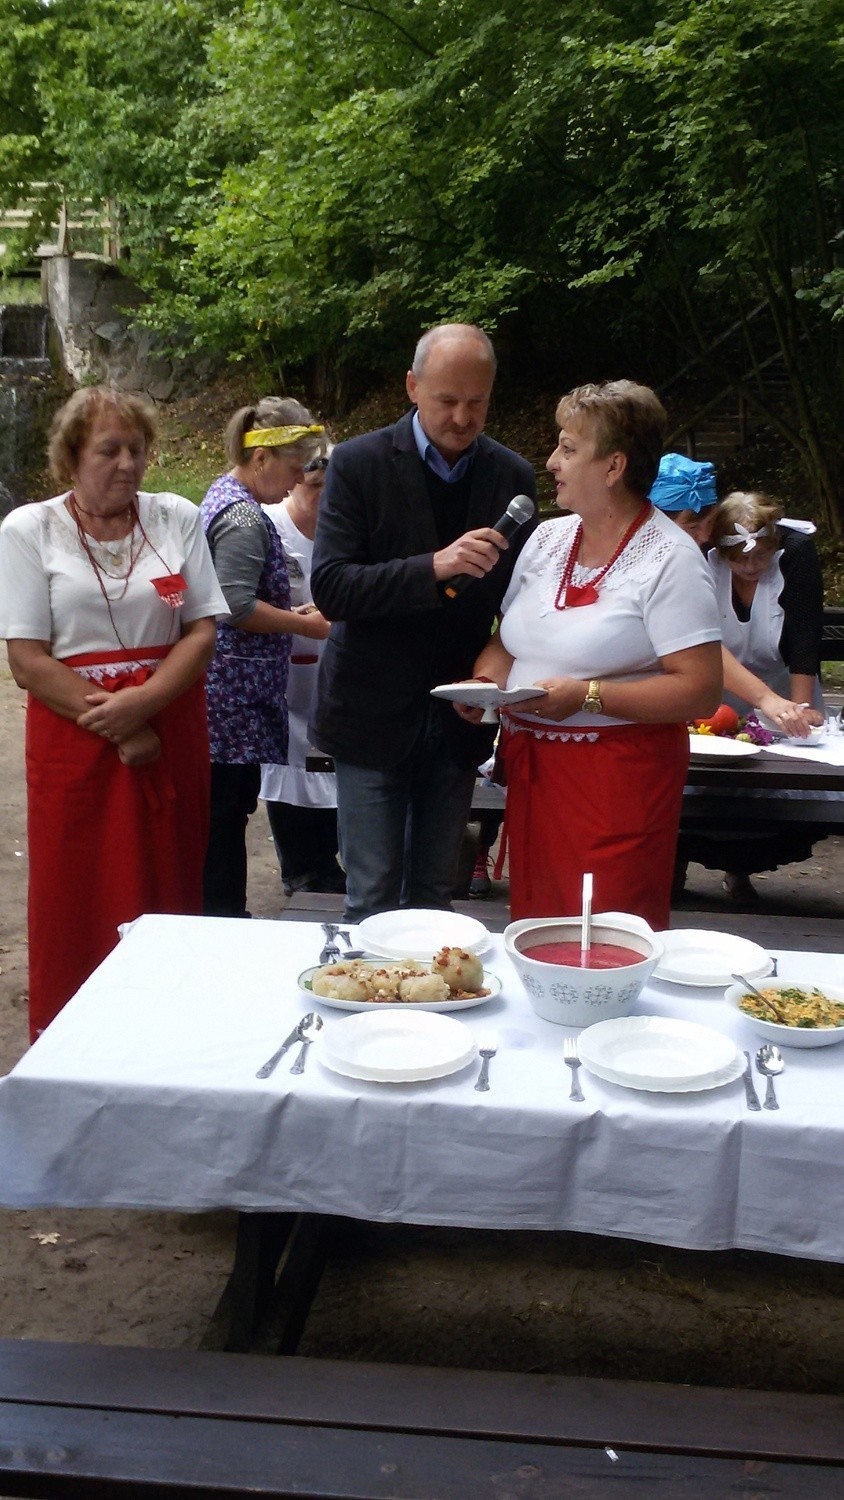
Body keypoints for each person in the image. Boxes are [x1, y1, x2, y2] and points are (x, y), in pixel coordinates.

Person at [0, 386, 226, 1039]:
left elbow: (201, 631)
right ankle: (75, 1040)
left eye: (137, 449)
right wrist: (121, 723)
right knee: (77, 892)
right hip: (75, 736)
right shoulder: (28, 529)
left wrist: (147, 707)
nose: (127, 463)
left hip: (171, 724)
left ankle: (165, 1032)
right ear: (71, 457)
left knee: (169, 878)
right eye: (109, 450)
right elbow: (28, 660)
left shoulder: (177, 517)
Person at [455, 380, 723, 930]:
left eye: (569, 448)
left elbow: (700, 689)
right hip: (536, 776)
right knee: (538, 928)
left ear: (613, 466)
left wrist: (590, 696)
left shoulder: (671, 560)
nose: (552, 461)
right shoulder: (547, 538)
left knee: (604, 933)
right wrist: (485, 682)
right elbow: (510, 637)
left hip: (618, 784)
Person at [309, 323, 537, 922]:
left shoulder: (512, 478)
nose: (462, 417)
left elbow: (520, 607)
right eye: (447, 400)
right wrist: (432, 568)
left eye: (477, 403)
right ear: (413, 387)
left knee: (438, 900)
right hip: (371, 711)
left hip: (459, 718)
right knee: (372, 899)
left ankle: (431, 1014)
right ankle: (365, 1014)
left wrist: (492, 673)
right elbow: (331, 589)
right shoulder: (359, 464)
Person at [200, 396, 327, 918]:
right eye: (293, 468)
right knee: (228, 812)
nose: (297, 481)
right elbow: (234, 605)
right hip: (233, 694)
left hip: (229, 688)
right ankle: (224, 915)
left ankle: (219, 910)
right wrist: (303, 623)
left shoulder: (222, 495)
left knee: (223, 812)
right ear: (260, 459)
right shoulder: (246, 516)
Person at [677, 490, 826, 901]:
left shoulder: (797, 556)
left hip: (780, 683)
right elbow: (698, 638)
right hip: (715, 685)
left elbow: (803, 633)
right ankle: (677, 864)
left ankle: (741, 869)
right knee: (704, 782)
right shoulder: (698, 560)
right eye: (738, 559)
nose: (749, 566)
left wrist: (802, 707)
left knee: (772, 783)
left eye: (759, 558)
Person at [259, 446, 345, 896]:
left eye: (333, 488)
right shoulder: (270, 527)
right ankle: (300, 867)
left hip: (333, 667)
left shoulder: (345, 529)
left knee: (329, 761)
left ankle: (327, 861)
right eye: (314, 487)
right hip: (284, 666)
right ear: (294, 480)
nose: (324, 497)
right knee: (287, 762)